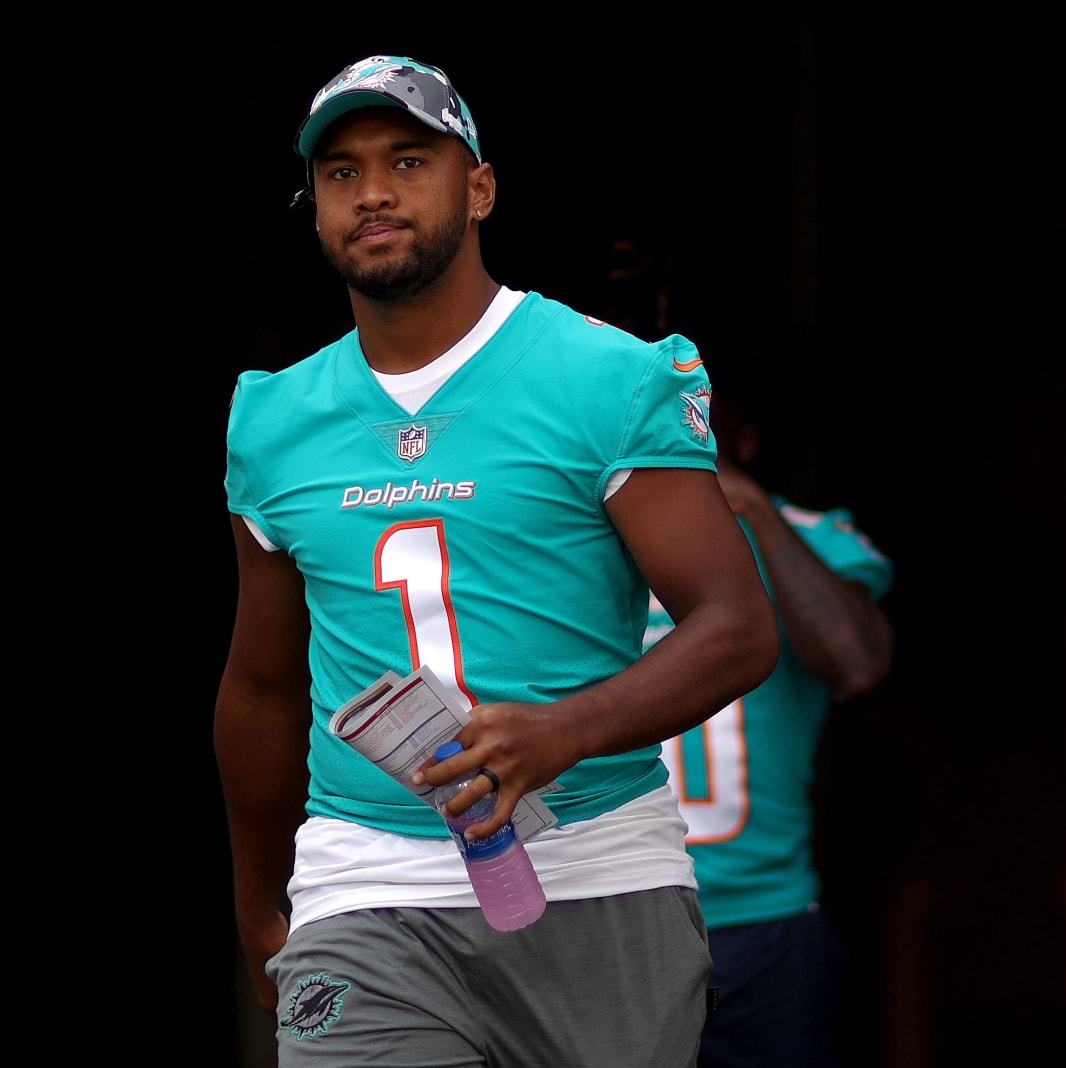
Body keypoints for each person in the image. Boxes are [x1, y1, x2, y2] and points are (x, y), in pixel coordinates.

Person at [215, 55, 780, 1066]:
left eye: (407, 159)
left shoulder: (604, 375)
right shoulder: (273, 417)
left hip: (596, 868)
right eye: (340, 172)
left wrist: (566, 731)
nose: (373, 191)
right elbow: (261, 688)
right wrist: (264, 900)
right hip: (366, 882)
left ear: (480, 187)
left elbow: (737, 625)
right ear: (313, 212)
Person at [644, 372, 895, 1067]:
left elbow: (859, 663)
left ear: (744, 440)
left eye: (696, 422)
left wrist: (750, 506)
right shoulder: (580, 544)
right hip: (613, 909)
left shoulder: (808, 536)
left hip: (765, 920)